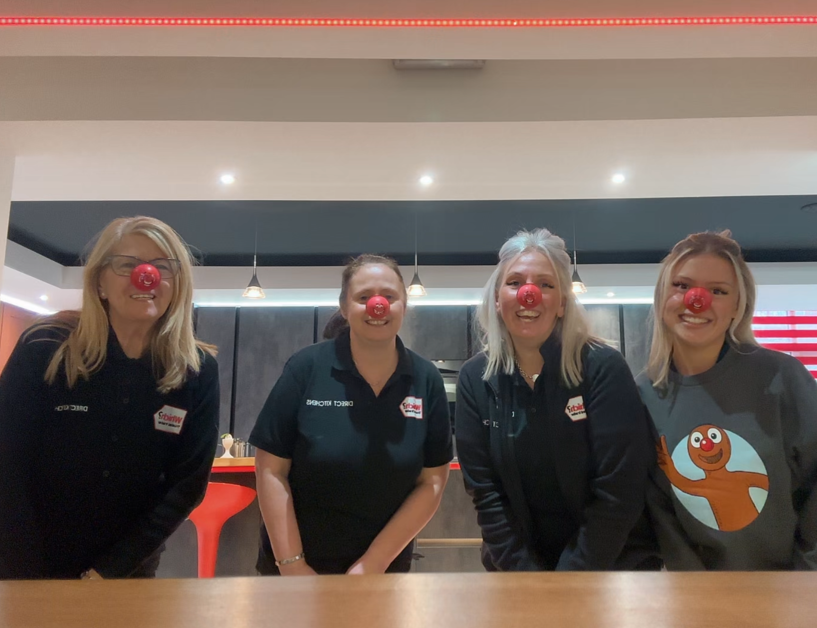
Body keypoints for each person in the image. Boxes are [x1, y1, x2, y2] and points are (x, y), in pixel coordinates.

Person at [0, 216, 220, 580]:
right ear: (100, 281)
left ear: (176, 285)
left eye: (161, 266)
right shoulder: (46, 346)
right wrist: (28, 572)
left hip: (126, 571)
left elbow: (187, 485)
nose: (145, 275)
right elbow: (6, 462)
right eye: (127, 264)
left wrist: (110, 570)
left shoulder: (196, 370)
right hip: (28, 562)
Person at [456, 228, 658, 571]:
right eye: (515, 282)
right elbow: (486, 495)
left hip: (608, 568)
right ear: (496, 298)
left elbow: (619, 490)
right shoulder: (476, 378)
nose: (528, 294)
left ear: (562, 301)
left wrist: (568, 582)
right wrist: (528, 579)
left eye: (545, 285)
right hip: (516, 574)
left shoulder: (602, 368)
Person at [250, 254, 452, 575]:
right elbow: (270, 469)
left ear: (404, 305)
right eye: (363, 297)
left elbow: (433, 481)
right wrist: (292, 565)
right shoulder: (306, 368)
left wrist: (372, 564)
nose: (377, 305)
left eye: (389, 297)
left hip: (383, 573)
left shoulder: (426, 379)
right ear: (344, 308)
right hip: (295, 572)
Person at [639, 231, 817, 570]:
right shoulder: (643, 394)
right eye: (681, 286)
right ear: (663, 297)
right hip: (697, 601)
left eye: (717, 291)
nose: (696, 300)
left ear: (738, 305)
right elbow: (659, 510)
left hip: (794, 592)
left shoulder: (783, 378)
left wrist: (805, 580)